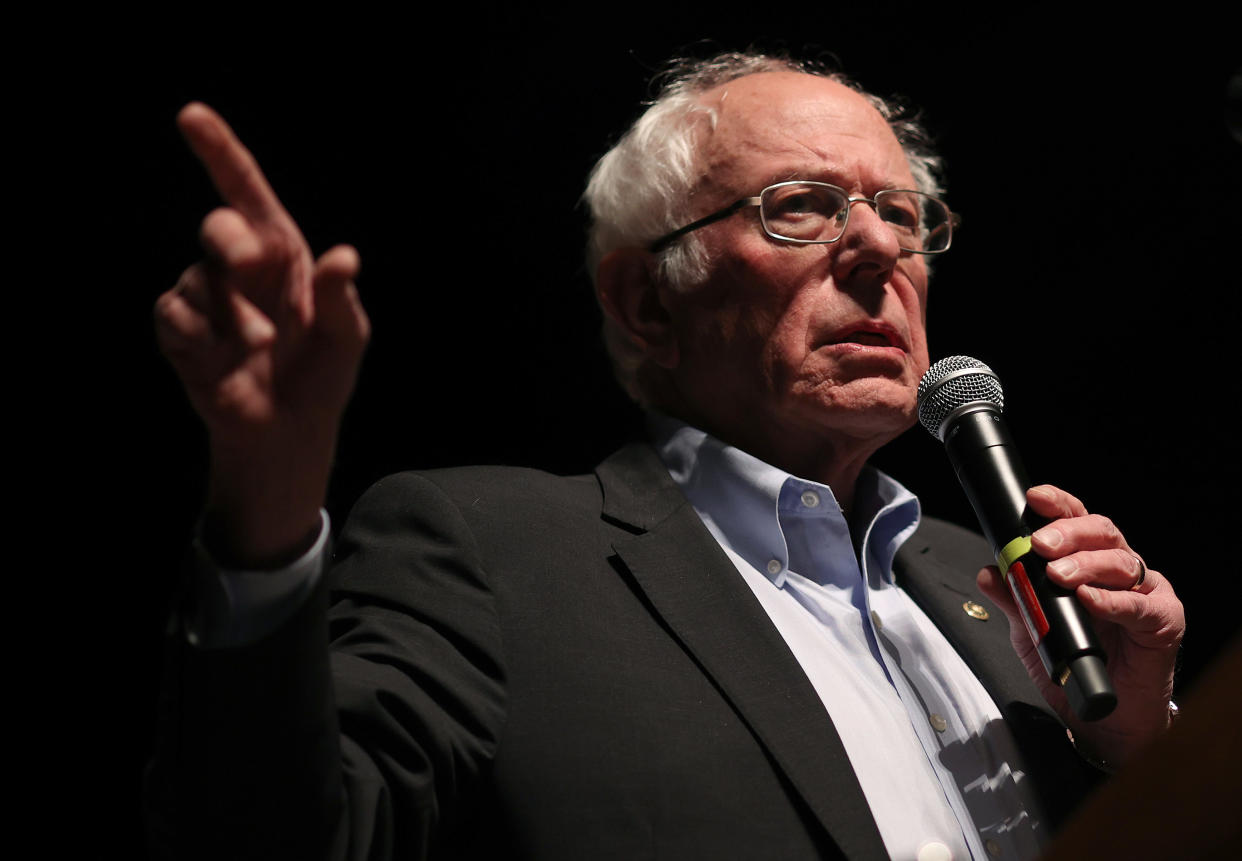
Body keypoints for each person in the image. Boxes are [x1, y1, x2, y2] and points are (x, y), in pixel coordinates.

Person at [147, 53, 1185, 860]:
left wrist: (1138, 744)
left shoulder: (1003, 590)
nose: (877, 251)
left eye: (902, 214)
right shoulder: (491, 550)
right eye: (804, 207)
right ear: (648, 302)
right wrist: (270, 497)